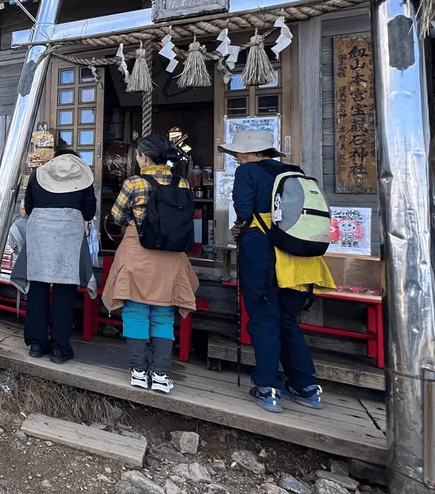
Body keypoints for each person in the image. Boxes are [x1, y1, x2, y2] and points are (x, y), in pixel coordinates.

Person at [220, 129, 333, 413]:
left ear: (253, 154)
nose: (236, 158)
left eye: (238, 153)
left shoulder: (248, 173)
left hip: (263, 253)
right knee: (287, 320)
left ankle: (267, 387)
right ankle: (306, 385)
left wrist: (239, 228)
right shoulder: (294, 173)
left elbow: (244, 211)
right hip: (298, 255)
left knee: (263, 319)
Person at [103, 134, 199, 394]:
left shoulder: (134, 182)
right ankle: (160, 375)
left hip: (138, 250)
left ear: (144, 157)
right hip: (171, 256)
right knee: (163, 314)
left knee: (135, 311)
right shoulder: (182, 183)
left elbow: (117, 216)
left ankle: (137, 371)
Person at [21, 149, 96, 363]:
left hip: (40, 228)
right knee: (65, 286)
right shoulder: (82, 176)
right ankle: (59, 349)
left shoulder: (39, 173)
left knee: (38, 283)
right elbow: (89, 211)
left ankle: (36, 344)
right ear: (77, 162)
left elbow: (29, 207)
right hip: (69, 230)